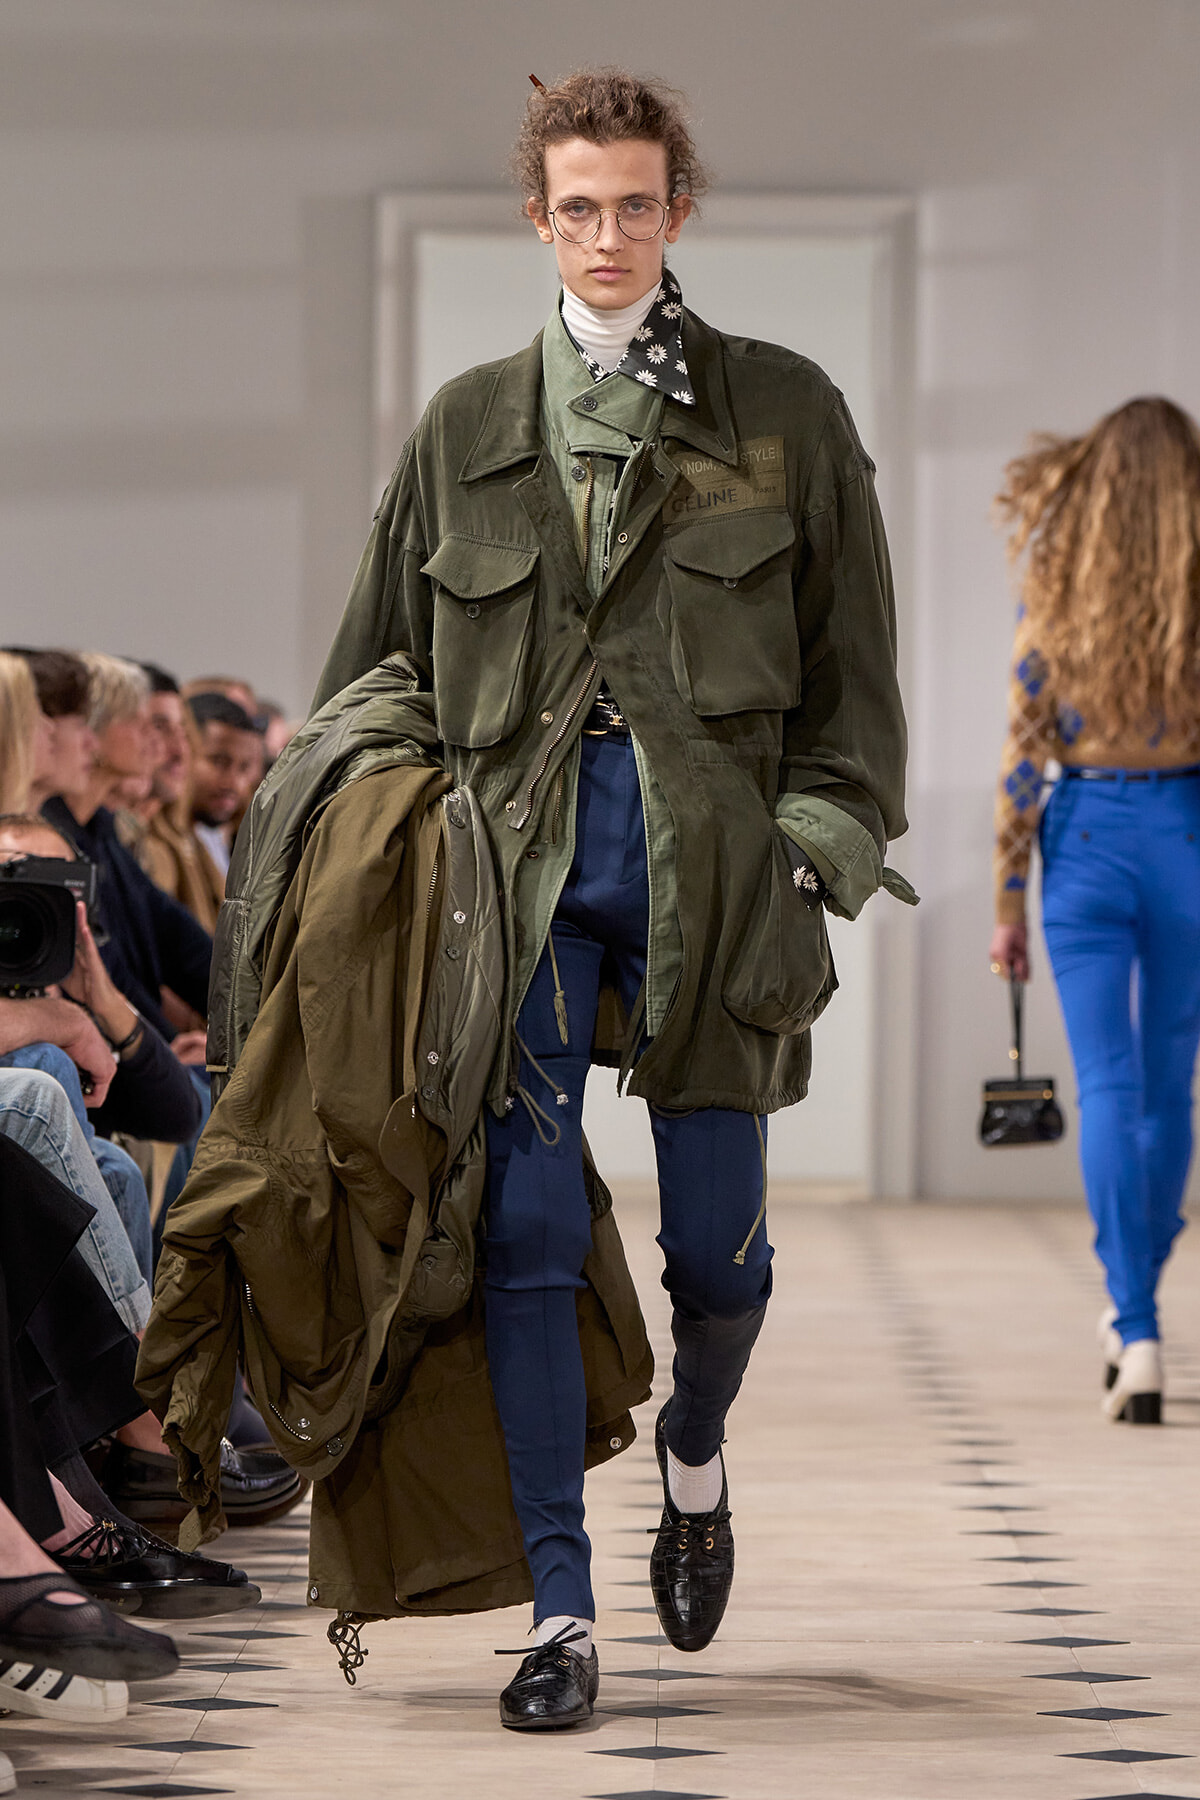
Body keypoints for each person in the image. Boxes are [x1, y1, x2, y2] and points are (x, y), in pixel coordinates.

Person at [310, 68, 909, 1729]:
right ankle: (561, 1614)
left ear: (676, 211)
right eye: (578, 208)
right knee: (520, 1230)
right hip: (515, 892)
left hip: (716, 885)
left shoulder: (781, 412)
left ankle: (694, 1456)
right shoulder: (466, 429)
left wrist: (812, 849)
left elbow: (856, 688)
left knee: (721, 1261)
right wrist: (387, 843)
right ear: (539, 219)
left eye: (634, 204)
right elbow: (373, 677)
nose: (606, 235)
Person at [989, 396, 1200, 1426]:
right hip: (1188, 837)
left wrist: (1007, 901)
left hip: (1084, 844)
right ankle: (1136, 1301)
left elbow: (1023, 756)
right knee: (1168, 1086)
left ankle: (1137, 1322)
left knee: (1108, 1085)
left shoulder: (1058, 591)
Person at [128, 664, 224, 933]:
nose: (180, 751)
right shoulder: (124, 843)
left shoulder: (182, 841)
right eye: (160, 727)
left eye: (183, 730)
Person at [184, 692, 265, 882]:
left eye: (243, 767)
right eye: (219, 762)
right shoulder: (154, 845)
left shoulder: (217, 840)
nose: (233, 783)